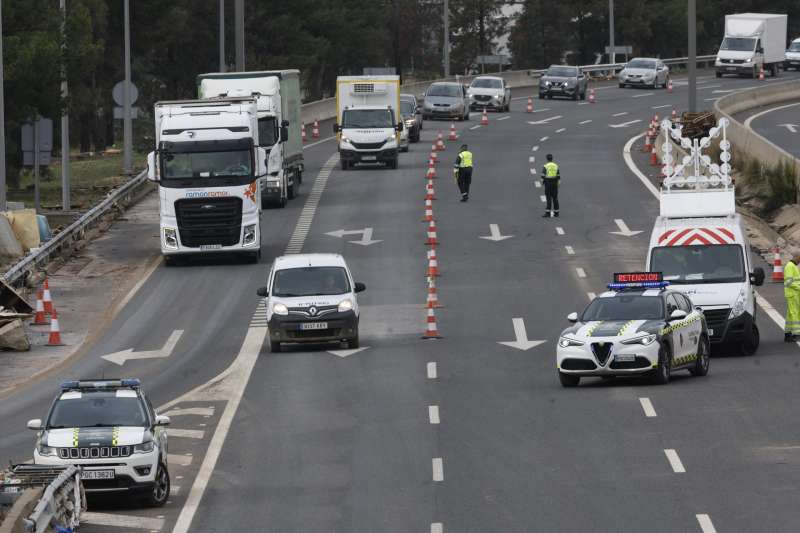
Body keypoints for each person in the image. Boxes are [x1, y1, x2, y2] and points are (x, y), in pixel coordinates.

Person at [784, 253, 800, 341]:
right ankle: (796, 333)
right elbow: (788, 282)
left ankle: (788, 333)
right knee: (794, 313)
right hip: (792, 294)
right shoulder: (790, 266)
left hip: (794, 294)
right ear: (797, 257)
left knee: (790, 315)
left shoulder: (793, 266)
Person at [541, 153, 560, 217]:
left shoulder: (546, 166)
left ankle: (548, 213)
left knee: (548, 198)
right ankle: (556, 213)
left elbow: (543, 175)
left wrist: (543, 181)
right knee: (555, 198)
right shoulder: (556, 165)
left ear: (547, 159)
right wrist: (557, 183)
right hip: (555, 183)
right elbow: (558, 176)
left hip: (548, 183)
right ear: (552, 158)